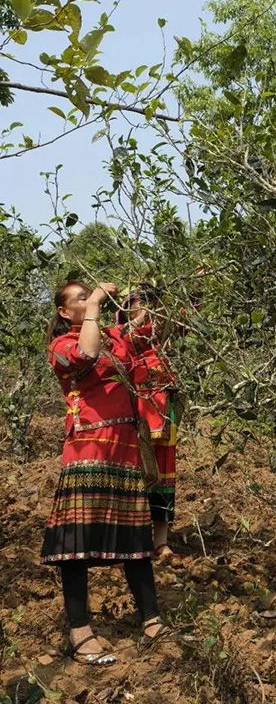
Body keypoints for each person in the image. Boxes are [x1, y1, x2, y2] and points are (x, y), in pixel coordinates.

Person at [41, 281, 170, 666]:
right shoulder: (62, 345)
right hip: (88, 450)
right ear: (66, 312)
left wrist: (145, 296)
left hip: (126, 449)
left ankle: (152, 620)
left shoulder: (117, 338)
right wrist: (96, 304)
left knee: (136, 541)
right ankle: (80, 631)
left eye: (89, 295)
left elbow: (147, 334)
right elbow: (86, 352)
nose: (88, 300)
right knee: (75, 544)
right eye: (79, 298)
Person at [116, 285, 181, 564]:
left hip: (164, 413)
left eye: (148, 304)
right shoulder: (120, 336)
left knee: (164, 475)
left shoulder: (162, 337)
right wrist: (139, 319)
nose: (145, 310)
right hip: (135, 415)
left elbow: (185, 317)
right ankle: (130, 538)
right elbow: (126, 337)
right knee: (134, 473)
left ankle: (160, 541)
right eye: (138, 304)